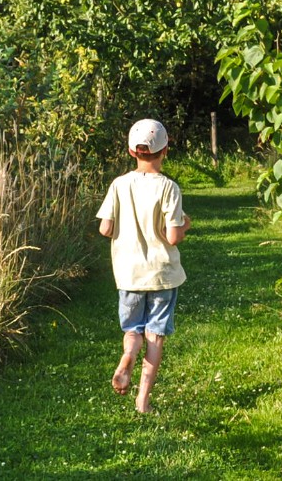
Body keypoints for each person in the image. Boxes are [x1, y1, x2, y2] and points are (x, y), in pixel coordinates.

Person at [96, 119, 191, 414]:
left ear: (130, 150)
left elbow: (105, 228)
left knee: (133, 331)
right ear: (166, 149)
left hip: (128, 274)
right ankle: (143, 400)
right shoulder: (169, 188)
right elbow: (173, 237)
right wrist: (186, 225)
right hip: (162, 275)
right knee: (155, 335)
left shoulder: (119, 184)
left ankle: (127, 360)